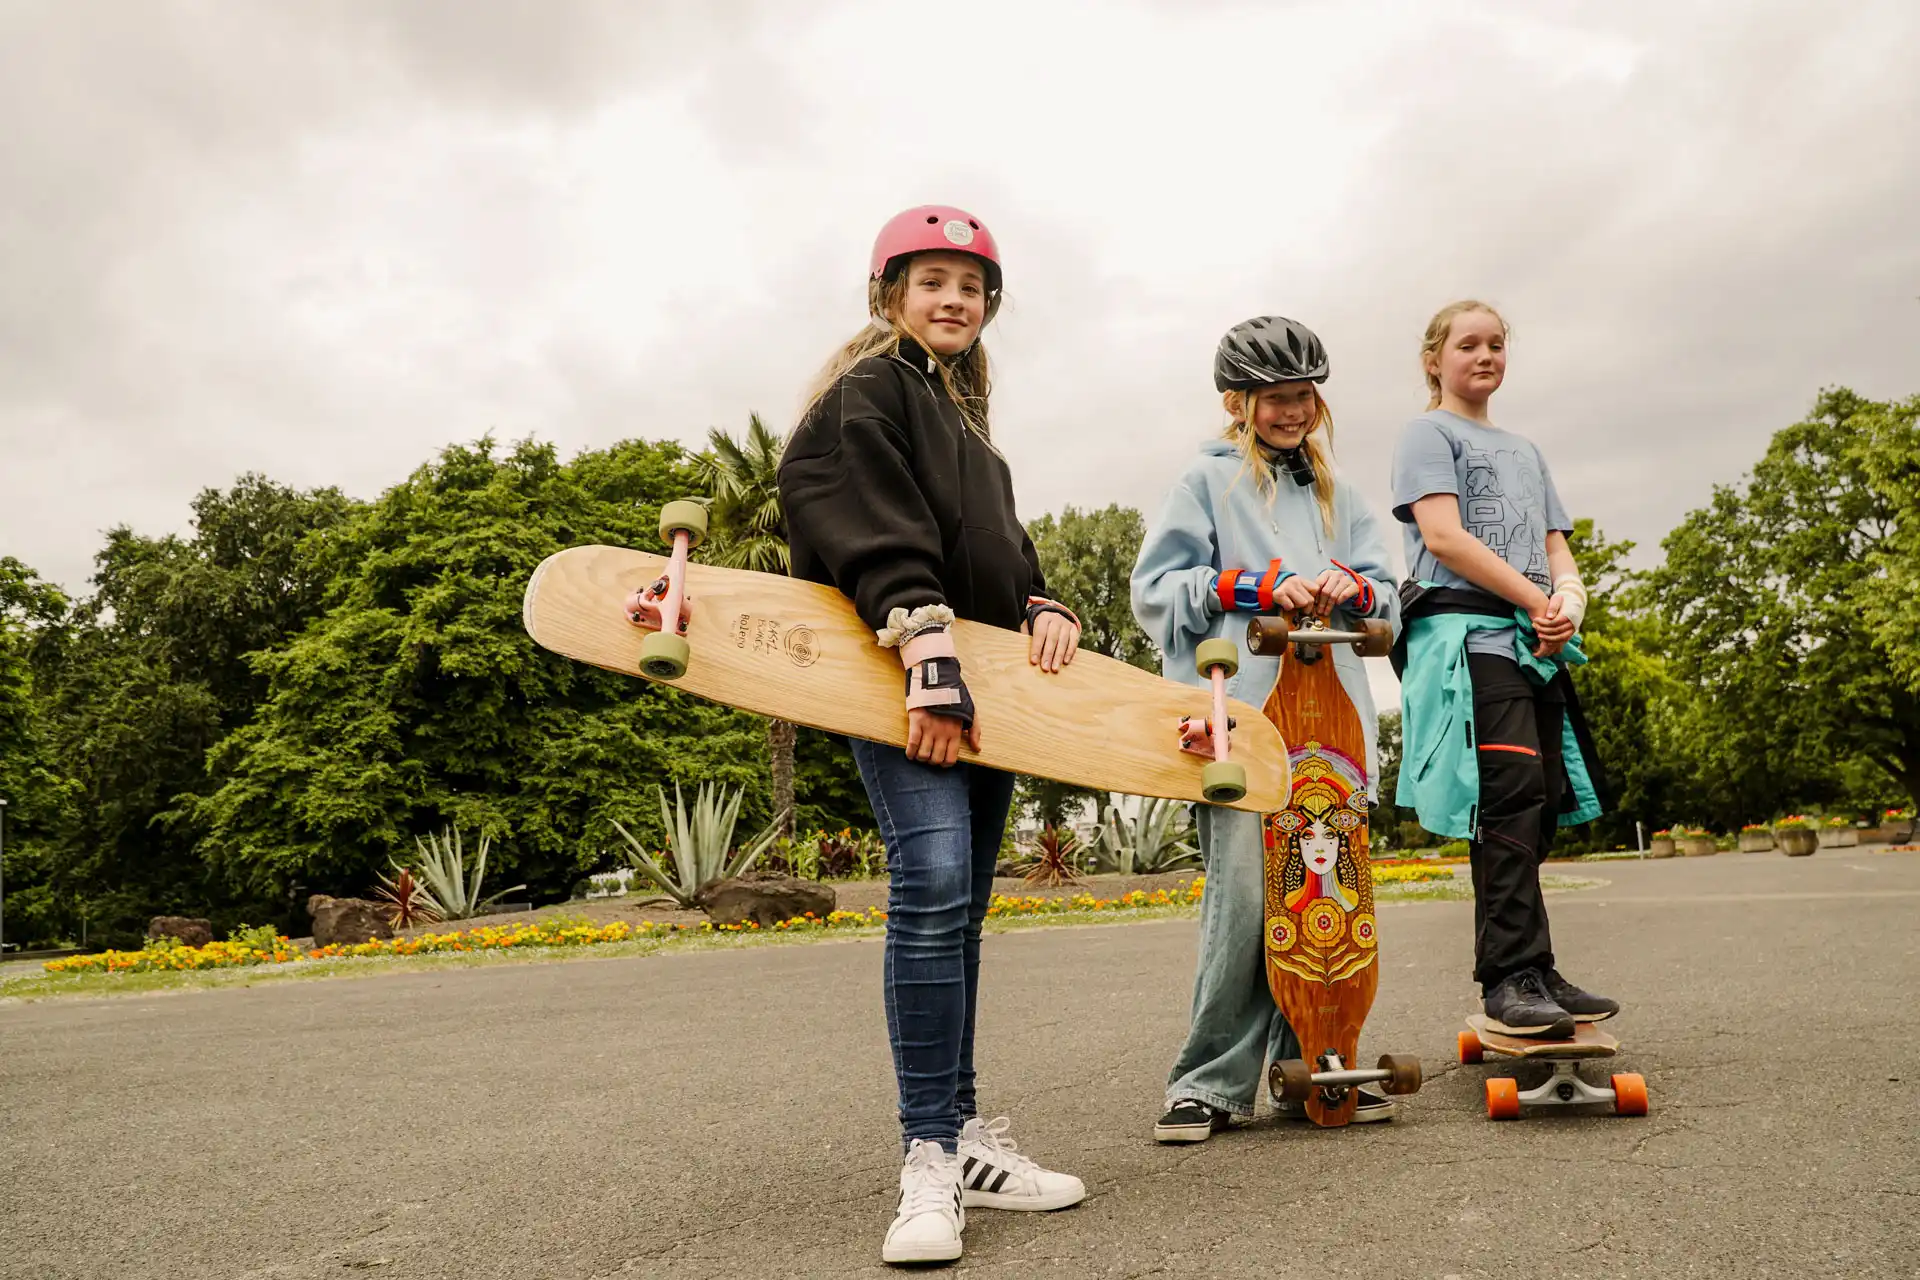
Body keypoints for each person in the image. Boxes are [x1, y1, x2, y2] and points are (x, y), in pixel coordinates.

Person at [776, 205, 1087, 1266]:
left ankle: (962, 1136)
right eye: (933, 282)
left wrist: (1043, 599)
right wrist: (928, 656)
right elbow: (855, 517)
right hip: (906, 677)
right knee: (935, 882)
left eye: (971, 286)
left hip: (985, 687)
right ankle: (926, 1156)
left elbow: (996, 551)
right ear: (889, 295)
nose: (954, 299)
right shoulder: (866, 395)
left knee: (961, 911)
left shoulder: (967, 429)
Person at [1131, 316, 1401, 1142]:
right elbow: (1155, 591)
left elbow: (1389, 598)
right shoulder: (1205, 482)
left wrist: (1355, 591)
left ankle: (1317, 1064)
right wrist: (1251, 586)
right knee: (1247, 897)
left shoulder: (1337, 493)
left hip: (1331, 724)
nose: (1294, 411)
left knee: (1324, 893)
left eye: (1305, 396)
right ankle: (1208, 1081)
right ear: (1236, 403)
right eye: (1277, 397)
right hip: (1238, 721)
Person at [1388, 299, 1616, 1039]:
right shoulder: (1428, 433)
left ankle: (1536, 969)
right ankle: (1507, 977)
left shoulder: (1525, 450)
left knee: (1542, 796)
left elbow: (1556, 549)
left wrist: (1567, 605)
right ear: (1434, 360)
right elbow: (1444, 537)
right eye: (1467, 345)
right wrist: (1536, 602)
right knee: (1508, 793)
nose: (1485, 356)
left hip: (1533, 643)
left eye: (1495, 344)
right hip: (1470, 642)